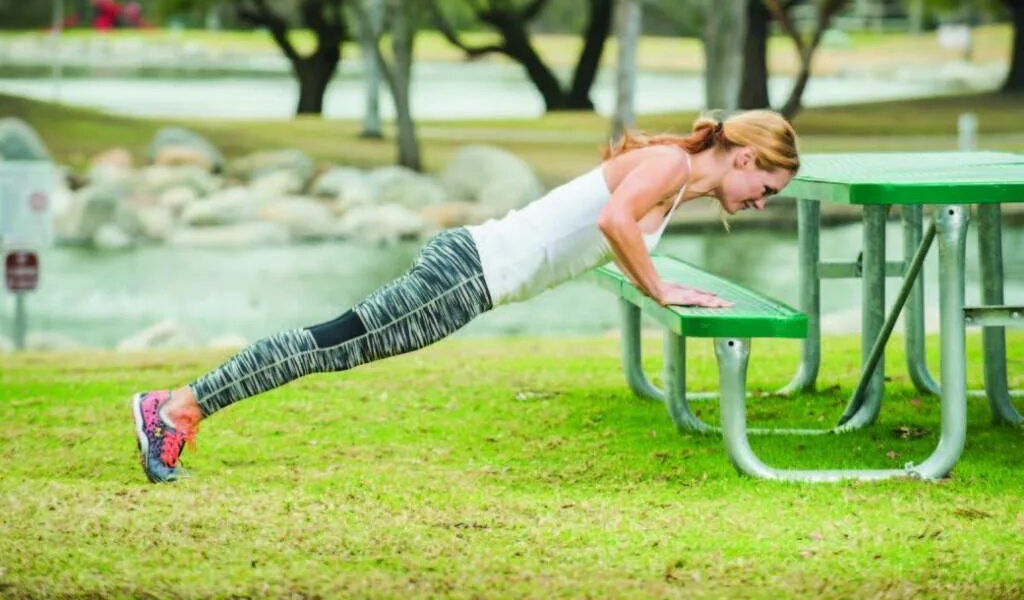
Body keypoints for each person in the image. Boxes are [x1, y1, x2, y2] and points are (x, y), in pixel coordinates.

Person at [132, 110, 799, 483]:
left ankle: (181, 405)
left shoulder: (676, 178)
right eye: (766, 188)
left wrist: (663, 285)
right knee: (327, 345)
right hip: (468, 273)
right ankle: (178, 408)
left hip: (470, 272)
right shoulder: (671, 165)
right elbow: (611, 223)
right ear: (745, 159)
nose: (760, 203)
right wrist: (658, 285)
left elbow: (606, 235)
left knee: (332, 344)